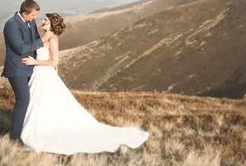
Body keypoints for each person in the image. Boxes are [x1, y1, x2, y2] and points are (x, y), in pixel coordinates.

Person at [20, 12, 149, 154]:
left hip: (44, 73)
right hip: (39, 73)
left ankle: (38, 134)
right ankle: (36, 131)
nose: (43, 21)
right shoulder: (44, 36)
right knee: (38, 104)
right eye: (44, 19)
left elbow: (54, 62)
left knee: (41, 103)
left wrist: (35, 62)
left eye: (46, 20)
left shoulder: (52, 38)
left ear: (52, 24)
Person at [1, 0, 55, 143]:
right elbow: (21, 49)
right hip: (17, 68)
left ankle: (29, 132)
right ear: (24, 14)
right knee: (23, 100)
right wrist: (43, 39)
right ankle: (14, 138)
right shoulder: (11, 25)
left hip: (32, 68)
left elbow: (35, 40)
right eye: (32, 16)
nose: (34, 19)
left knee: (33, 101)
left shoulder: (30, 21)